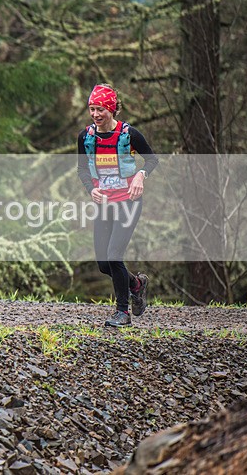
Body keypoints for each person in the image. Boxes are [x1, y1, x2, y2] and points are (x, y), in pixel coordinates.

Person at [77, 84, 158, 327]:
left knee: (114, 256)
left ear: (112, 109)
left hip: (128, 202)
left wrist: (141, 175)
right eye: (92, 109)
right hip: (104, 203)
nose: (95, 114)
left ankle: (123, 312)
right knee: (104, 264)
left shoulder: (130, 134)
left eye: (100, 109)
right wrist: (91, 189)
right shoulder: (85, 138)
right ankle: (136, 284)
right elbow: (82, 170)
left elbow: (152, 160)